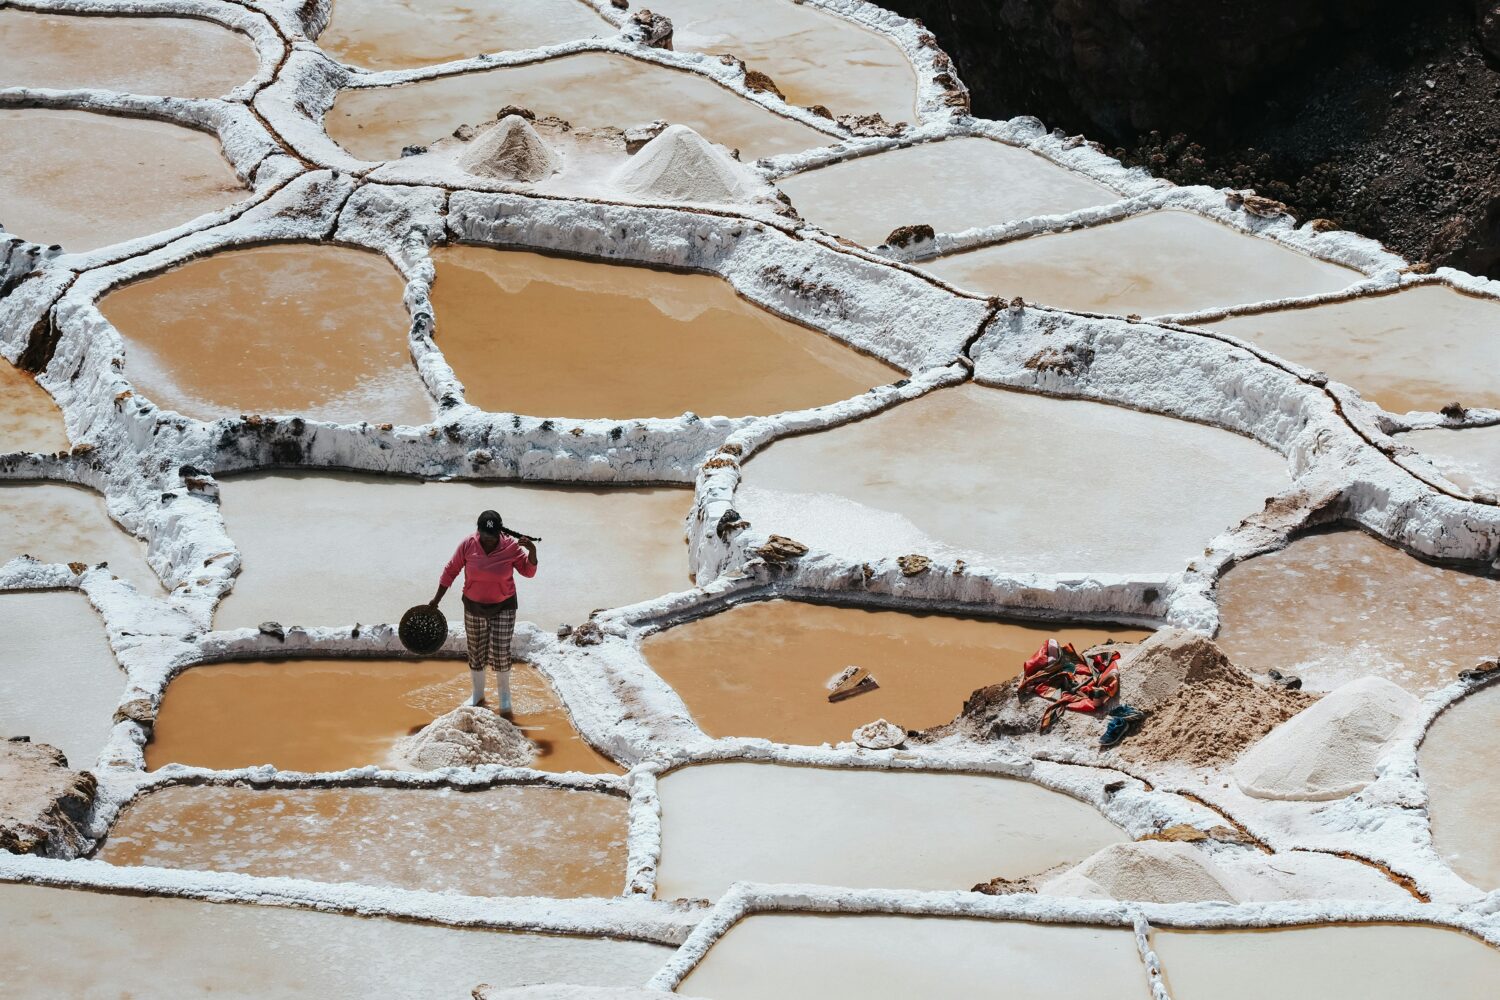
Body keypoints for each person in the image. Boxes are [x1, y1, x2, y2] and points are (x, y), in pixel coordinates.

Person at [429, 510, 538, 715]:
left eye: (492, 536)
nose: (487, 540)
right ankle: (478, 694)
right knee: (476, 650)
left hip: (503, 605)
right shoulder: (468, 544)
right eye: (484, 536)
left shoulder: (511, 546)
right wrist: (436, 600)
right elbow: (451, 570)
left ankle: (505, 699)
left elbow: (528, 572)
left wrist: (532, 551)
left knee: (500, 651)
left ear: (500, 533)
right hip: (473, 605)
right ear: (478, 531)